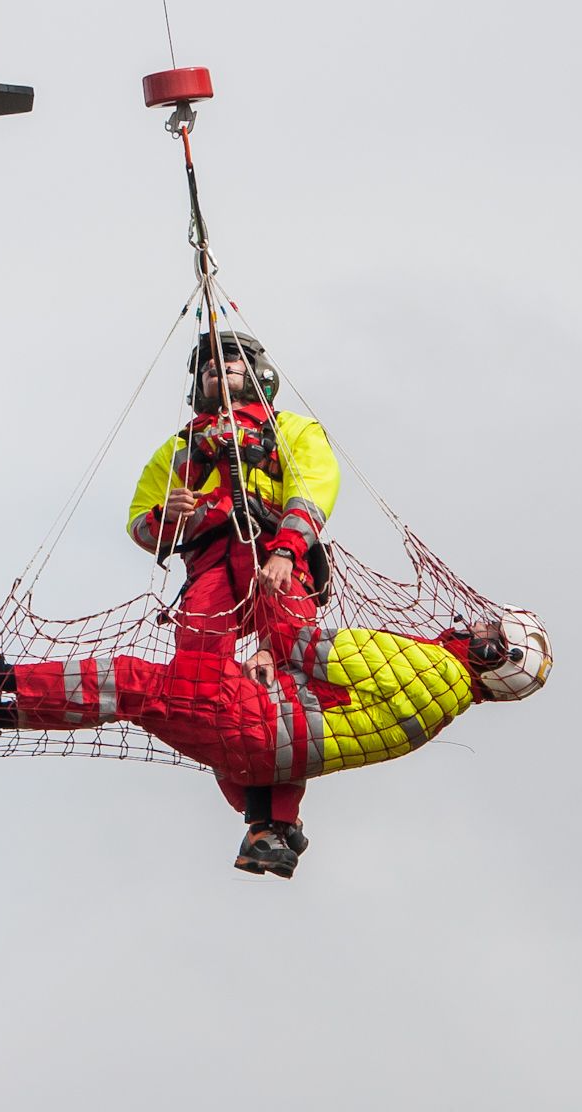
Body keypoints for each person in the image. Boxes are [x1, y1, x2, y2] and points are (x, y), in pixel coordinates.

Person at [0, 603, 552, 880]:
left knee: (130, 682)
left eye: (491, 629)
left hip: (248, 718)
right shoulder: (442, 706)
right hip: (261, 756)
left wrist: (276, 598)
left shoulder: (432, 669)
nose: (476, 623)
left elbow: (317, 647)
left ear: (495, 655)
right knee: (131, 700)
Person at [125, 326, 342, 870]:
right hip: (212, 572)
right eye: (210, 366)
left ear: (260, 372)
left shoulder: (289, 429)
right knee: (201, 678)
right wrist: (164, 518)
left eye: (233, 362)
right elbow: (140, 523)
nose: (219, 371)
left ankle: (278, 819)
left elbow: (313, 488)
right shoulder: (177, 450)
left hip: (273, 557)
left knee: (290, 674)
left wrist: (287, 551)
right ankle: (261, 818)